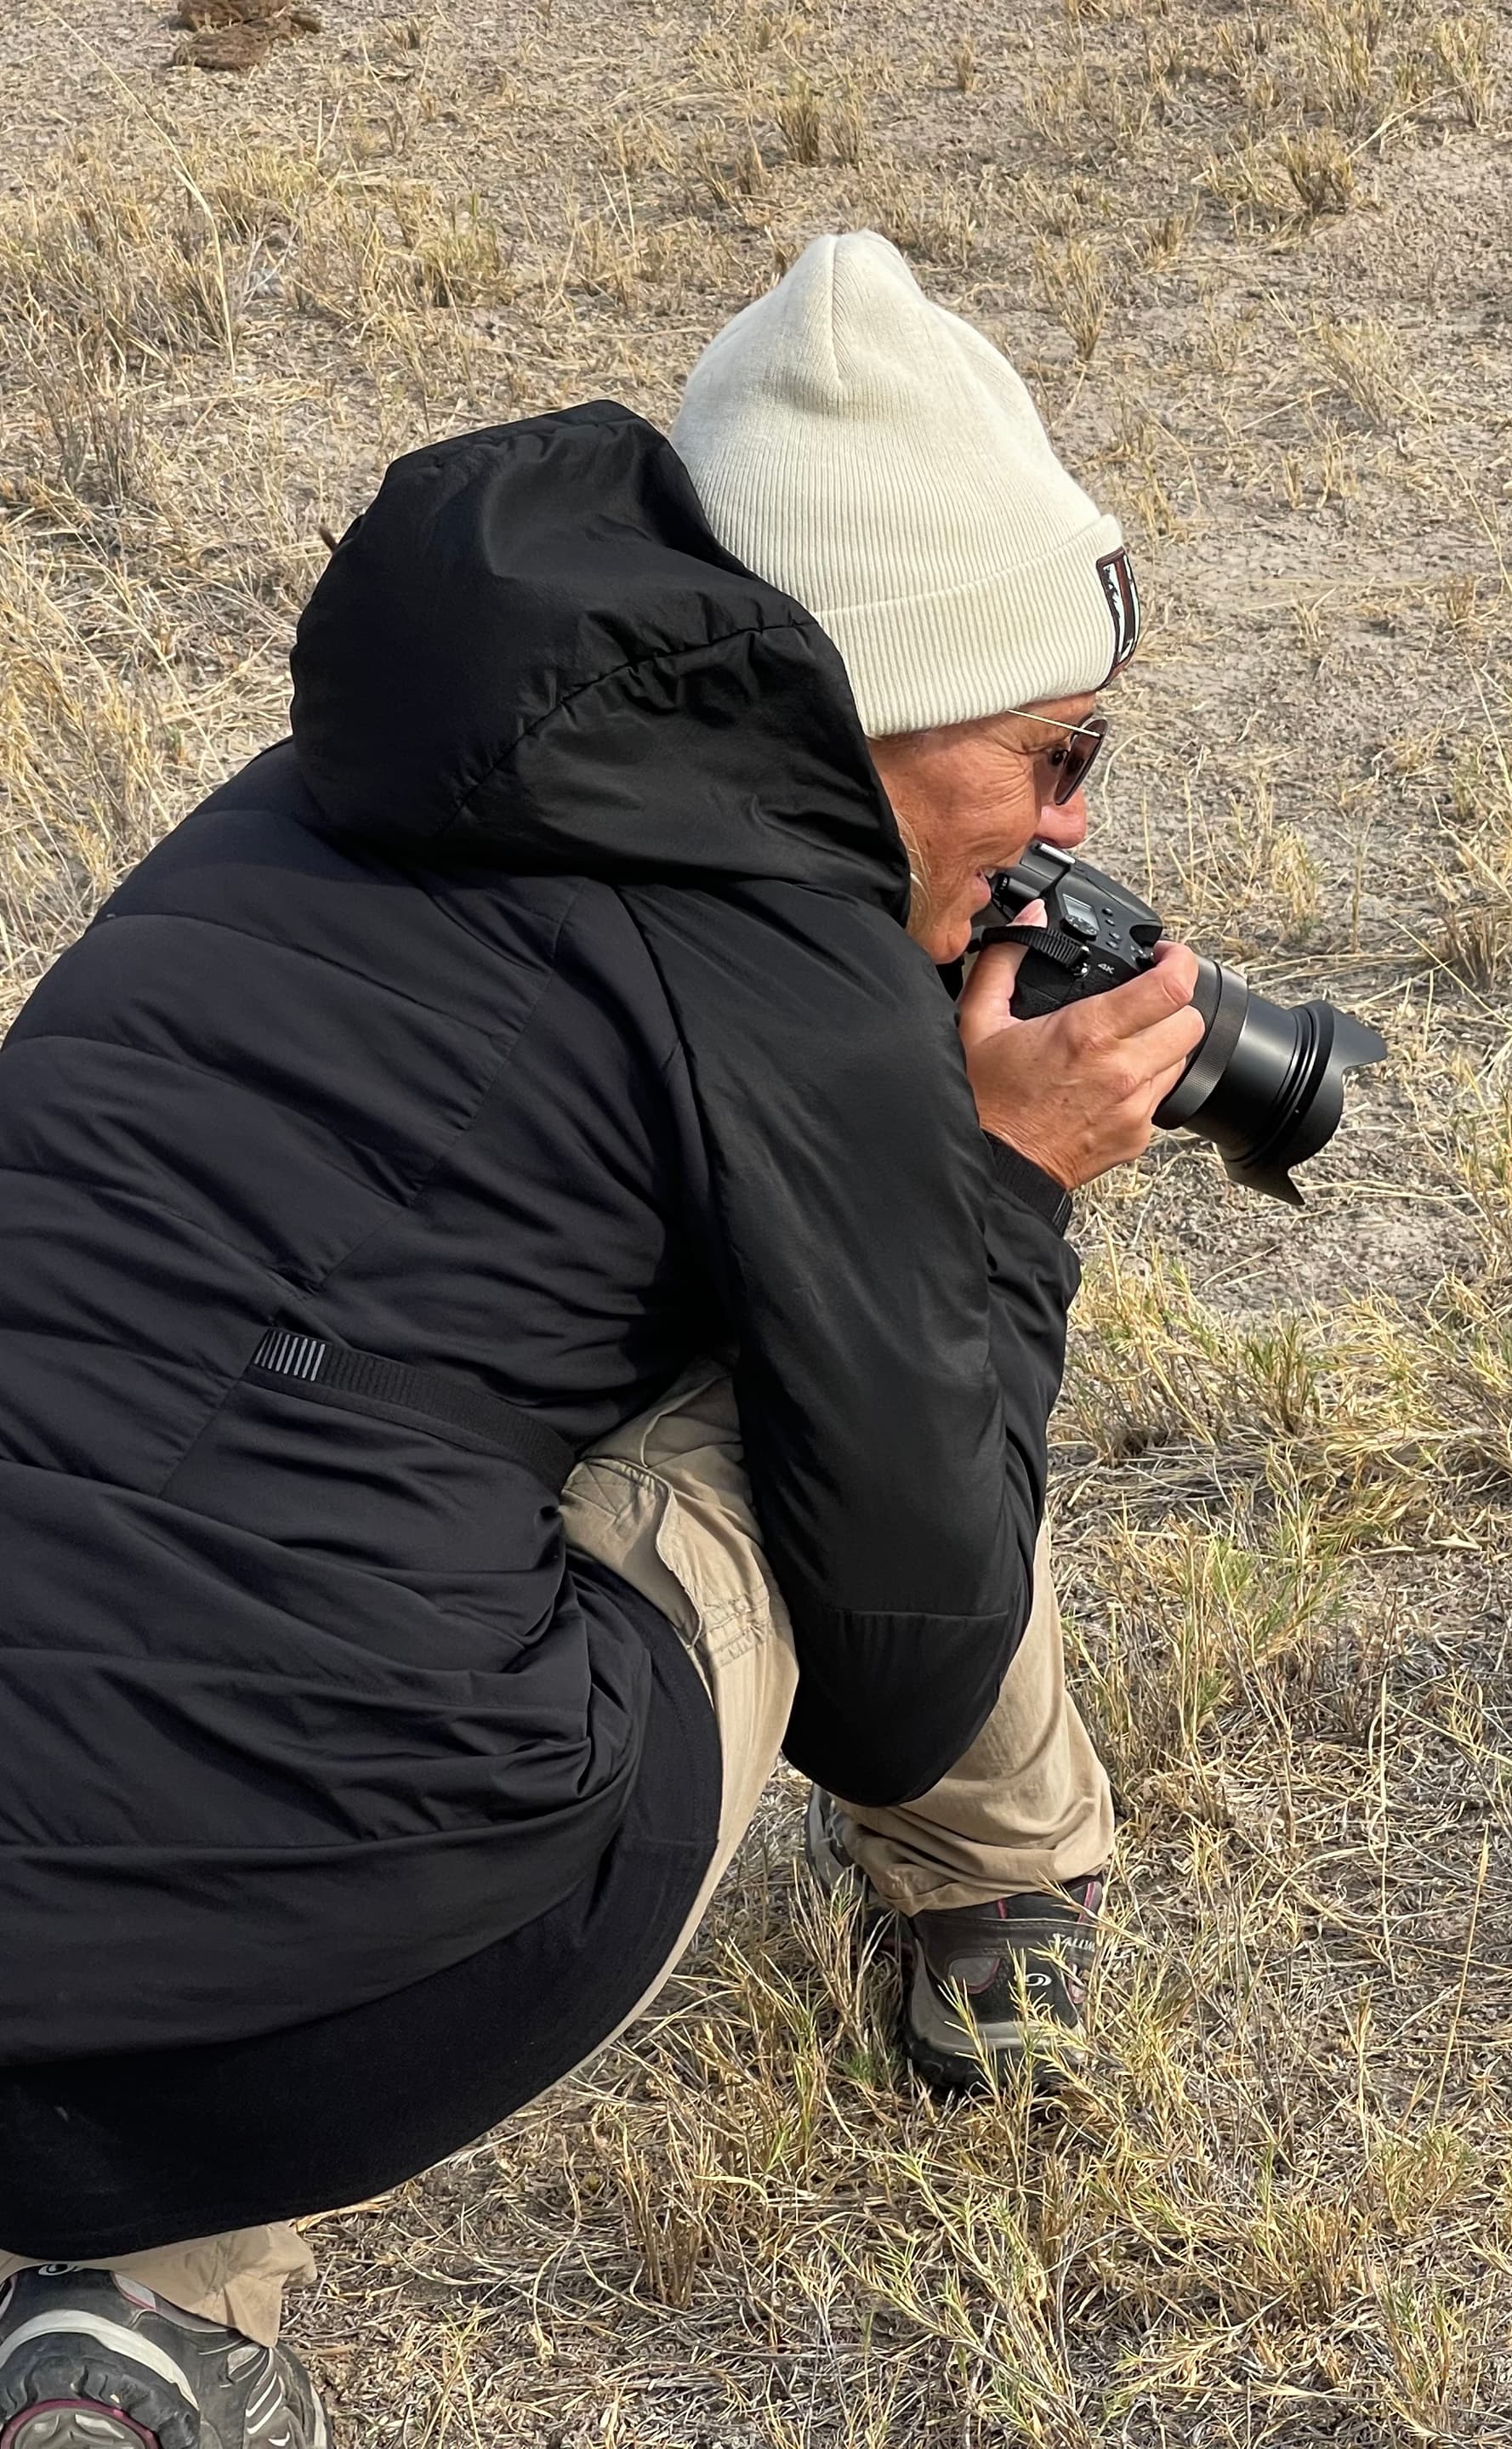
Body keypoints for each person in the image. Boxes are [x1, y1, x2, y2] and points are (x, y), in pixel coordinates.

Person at [0, 233, 1197, 2447]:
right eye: (1053, 754)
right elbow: (906, 1632)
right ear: (873, 718)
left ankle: (135, 2327)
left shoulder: (291, 816)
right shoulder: (798, 998)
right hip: (380, 2009)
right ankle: (996, 1926)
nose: (1073, 832)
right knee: (838, 1385)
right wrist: (992, 1190)